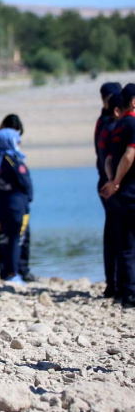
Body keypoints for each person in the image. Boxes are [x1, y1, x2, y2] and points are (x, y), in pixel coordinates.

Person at [101, 83, 135, 309]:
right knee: (130, 243)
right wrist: (118, 181)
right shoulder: (132, 123)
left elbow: (108, 160)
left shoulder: (116, 125)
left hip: (119, 194)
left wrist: (112, 181)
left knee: (123, 243)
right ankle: (131, 293)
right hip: (130, 191)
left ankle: (124, 290)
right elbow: (130, 155)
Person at [0, 122, 33, 285]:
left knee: (4, 239)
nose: (19, 143)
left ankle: (5, 272)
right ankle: (13, 273)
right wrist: (28, 199)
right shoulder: (13, 161)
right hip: (16, 208)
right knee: (16, 239)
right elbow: (26, 183)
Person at [96, 82, 123, 299]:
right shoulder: (110, 124)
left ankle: (114, 283)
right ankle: (116, 284)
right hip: (111, 184)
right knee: (117, 234)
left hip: (108, 182)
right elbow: (108, 157)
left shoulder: (105, 121)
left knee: (114, 233)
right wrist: (113, 181)